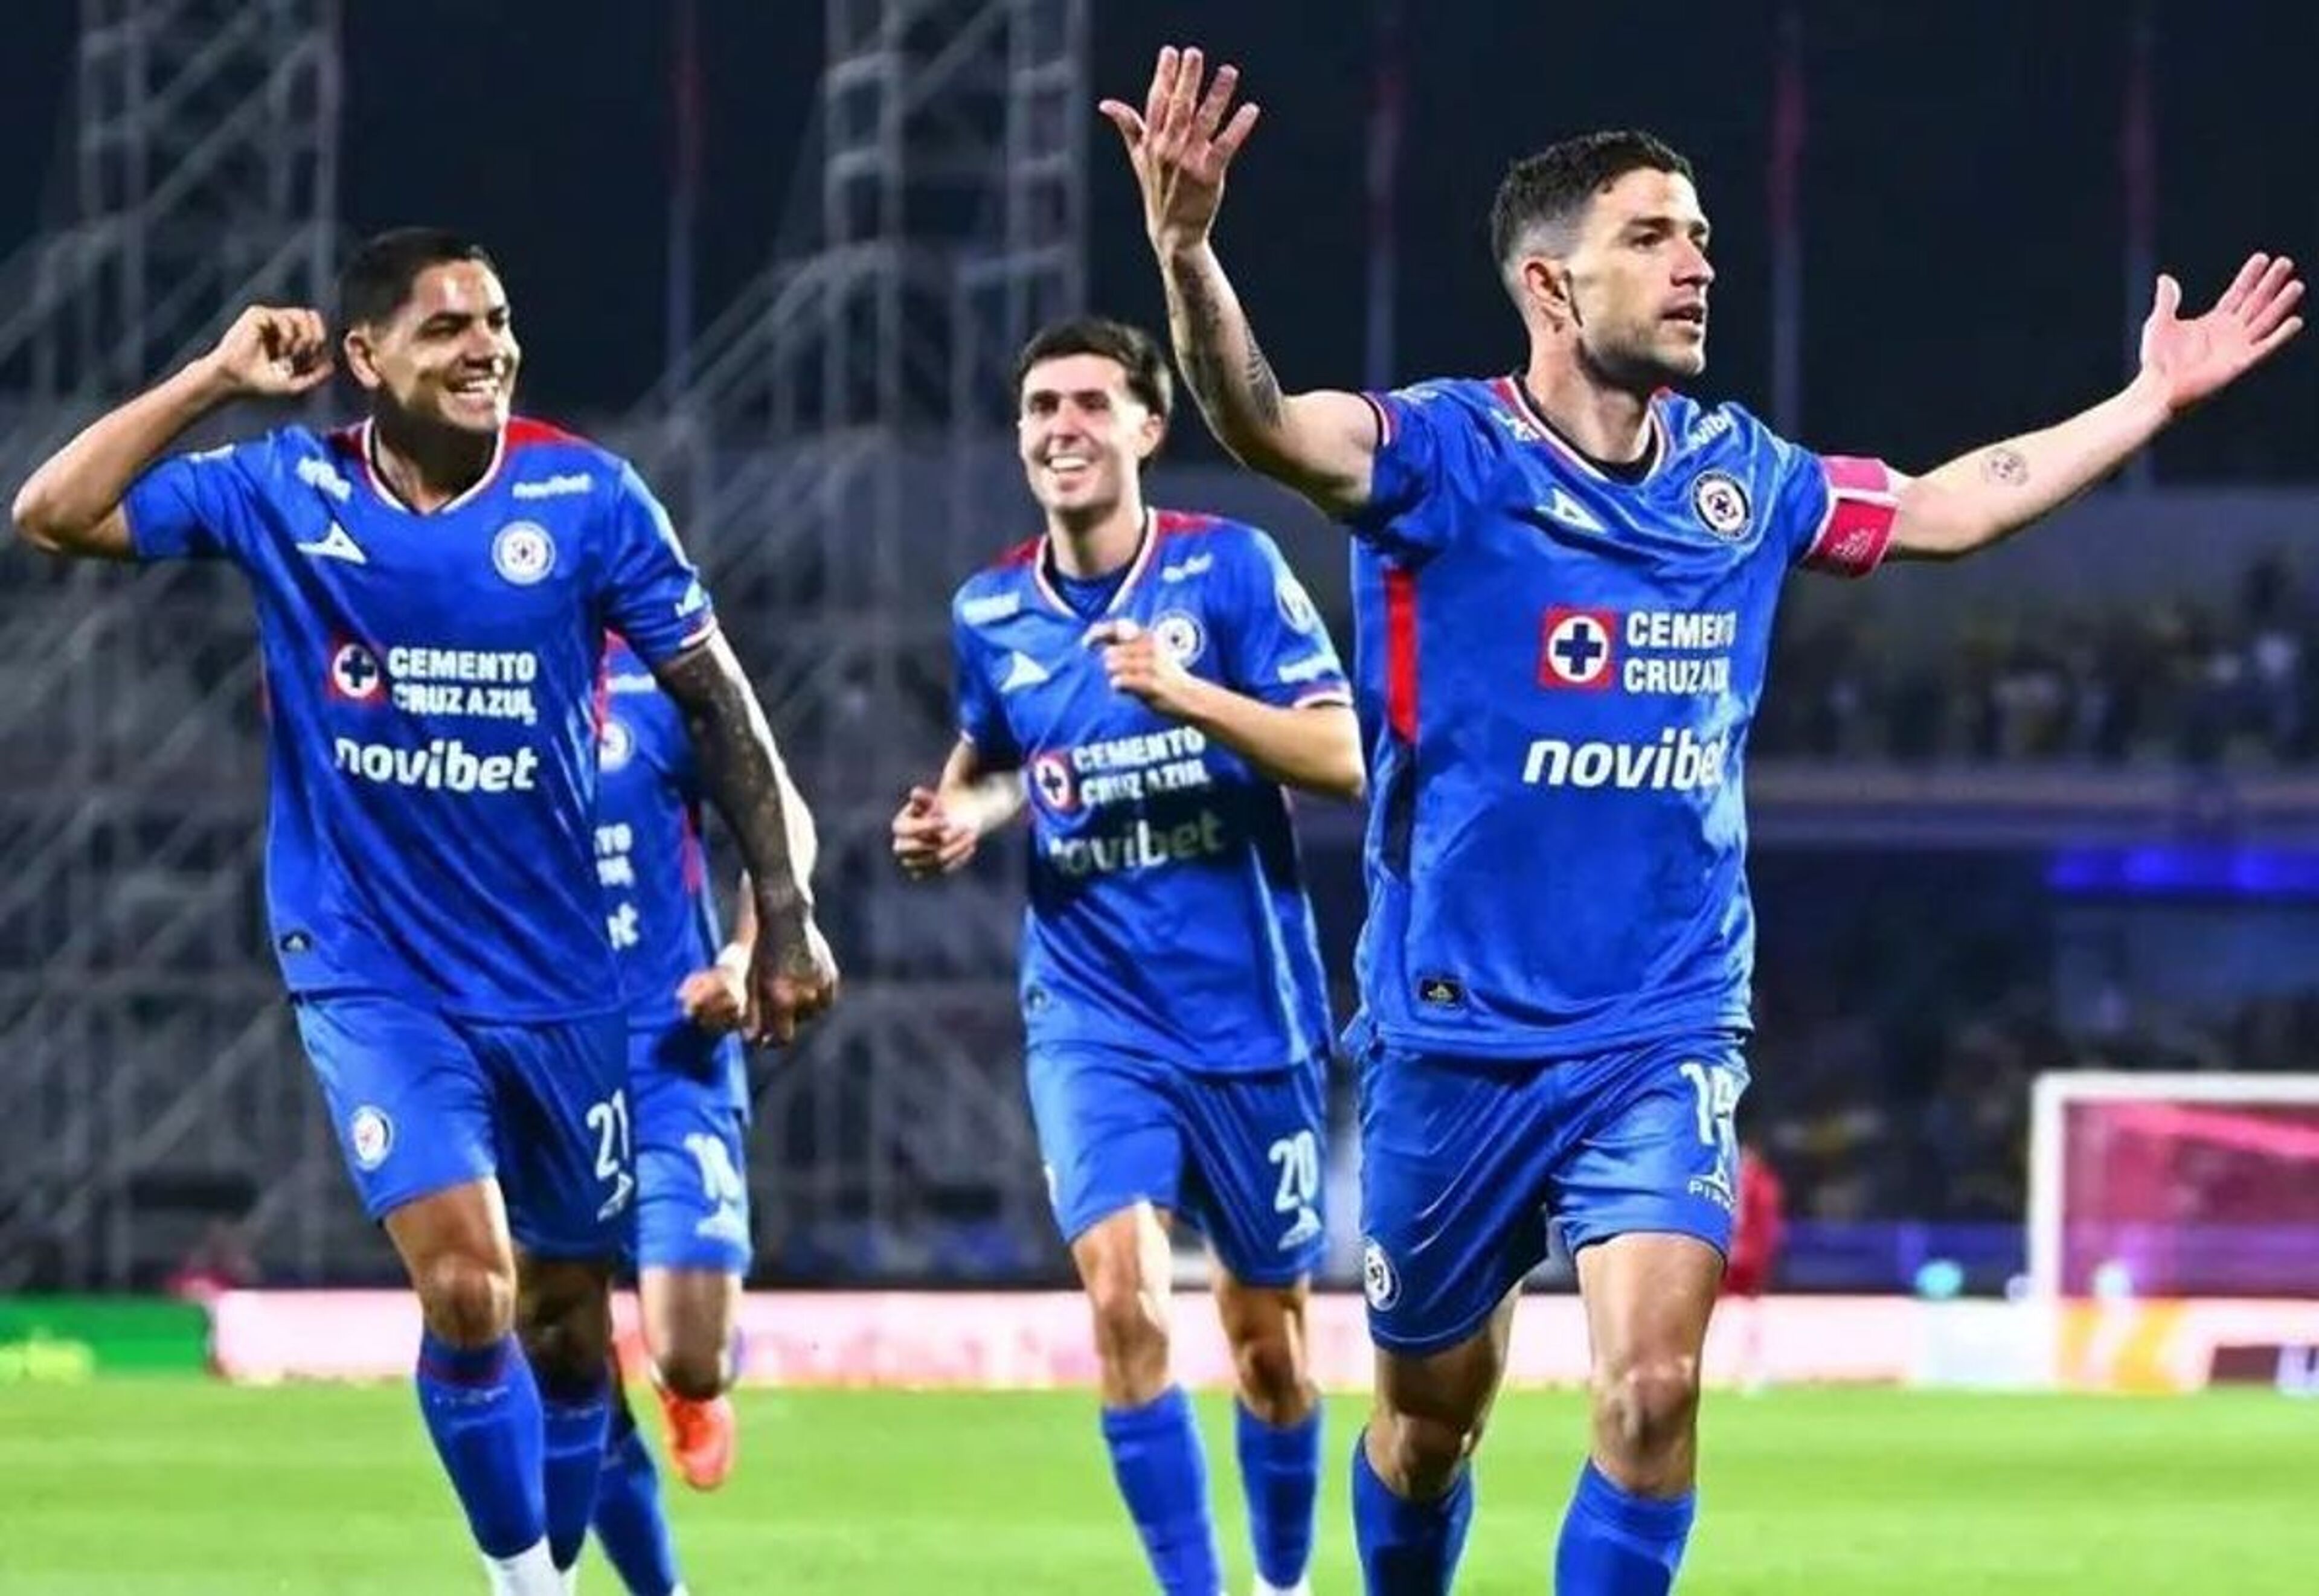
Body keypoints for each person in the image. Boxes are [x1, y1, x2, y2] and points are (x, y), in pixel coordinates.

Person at [1100, 45, 2301, 1594]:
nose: (1696, 265)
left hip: (1661, 1023)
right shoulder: (1441, 455)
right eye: (1653, 236)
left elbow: (1949, 505)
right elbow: (1264, 422)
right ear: (1549, 285)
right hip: (1453, 1031)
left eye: (1703, 238)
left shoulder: (1743, 475)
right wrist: (1188, 254)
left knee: (1652, 1394)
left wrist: (2148, 395)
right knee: (1426, 1427)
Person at [10, 228, 838, 1595]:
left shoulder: (589, 498)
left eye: (496, 320)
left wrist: (785, 918)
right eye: (447, 327)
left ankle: (599, 1546)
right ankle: (529, 1585)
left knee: (568, 1328)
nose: (486, 347)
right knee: (467, 1286)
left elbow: (717, 702)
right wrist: (215, 377)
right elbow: (53, 510)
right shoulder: (287, 487)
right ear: (365, 356)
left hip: (560, 977)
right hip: (370, 965)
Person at [892, 315, 1362, 1596]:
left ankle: (1282, 1583)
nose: (1064, 427)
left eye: (1092, 404)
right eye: (1042, 407)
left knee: (1269, 1347)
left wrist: (1185, 694)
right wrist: (957, 817)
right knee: (1125, 1302)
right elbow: (999, 759)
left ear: (1149, 427)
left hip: (1250, 1016)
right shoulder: (991, 609)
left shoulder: (1230, 571)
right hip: (1092, 1014)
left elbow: (1344, 758)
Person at [588, 633, 778, 1596]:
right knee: (564, 1358)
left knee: (691, 1355)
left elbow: (778, 824)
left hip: (669, 1056)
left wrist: (741, 961)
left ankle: (692, 1387)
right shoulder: (467, 677)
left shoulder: (662, 678)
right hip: (537, 1067)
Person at [1720, 1138, 1785, 1393]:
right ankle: (1751, 1367)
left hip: (1739, 1253)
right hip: (1752, 1255)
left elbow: (1741, 1217)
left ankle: (1741, 1366)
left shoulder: (1740, 1180)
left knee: (1720, 1308)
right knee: (1749, 1309)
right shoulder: (1765, 1182)